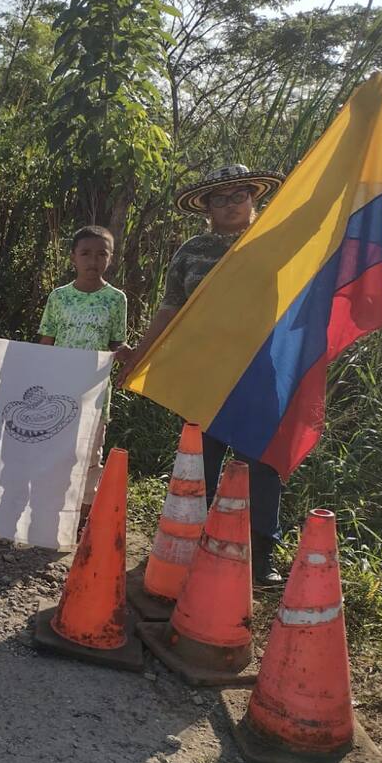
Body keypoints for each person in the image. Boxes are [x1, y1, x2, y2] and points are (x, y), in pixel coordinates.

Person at [116, 163, 286, 585]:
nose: (230, 206)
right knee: (201, 461)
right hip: (203, 371)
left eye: (238, 196)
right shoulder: (191, 251)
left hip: (260, 370)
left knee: (261, 463)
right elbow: (170, 308)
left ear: (253, 198)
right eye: (219, 199)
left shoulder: (276, 240)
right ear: (207, 207)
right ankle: (187, 544)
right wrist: (140, 354)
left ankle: (260, 556)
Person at [38, 225, 129, 523]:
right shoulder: (59, 297)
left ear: (111, 258)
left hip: (95, 392)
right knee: (57, 450)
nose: (93, 261)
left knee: (91, 454)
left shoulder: (116, 299)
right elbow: (46, 342)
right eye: (85, 253)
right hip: (59, 390)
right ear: (73, 258)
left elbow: (117, 342)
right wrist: (37, 379)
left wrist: (130, 356)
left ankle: (83, 515)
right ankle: (52, 509)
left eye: (101, 254)